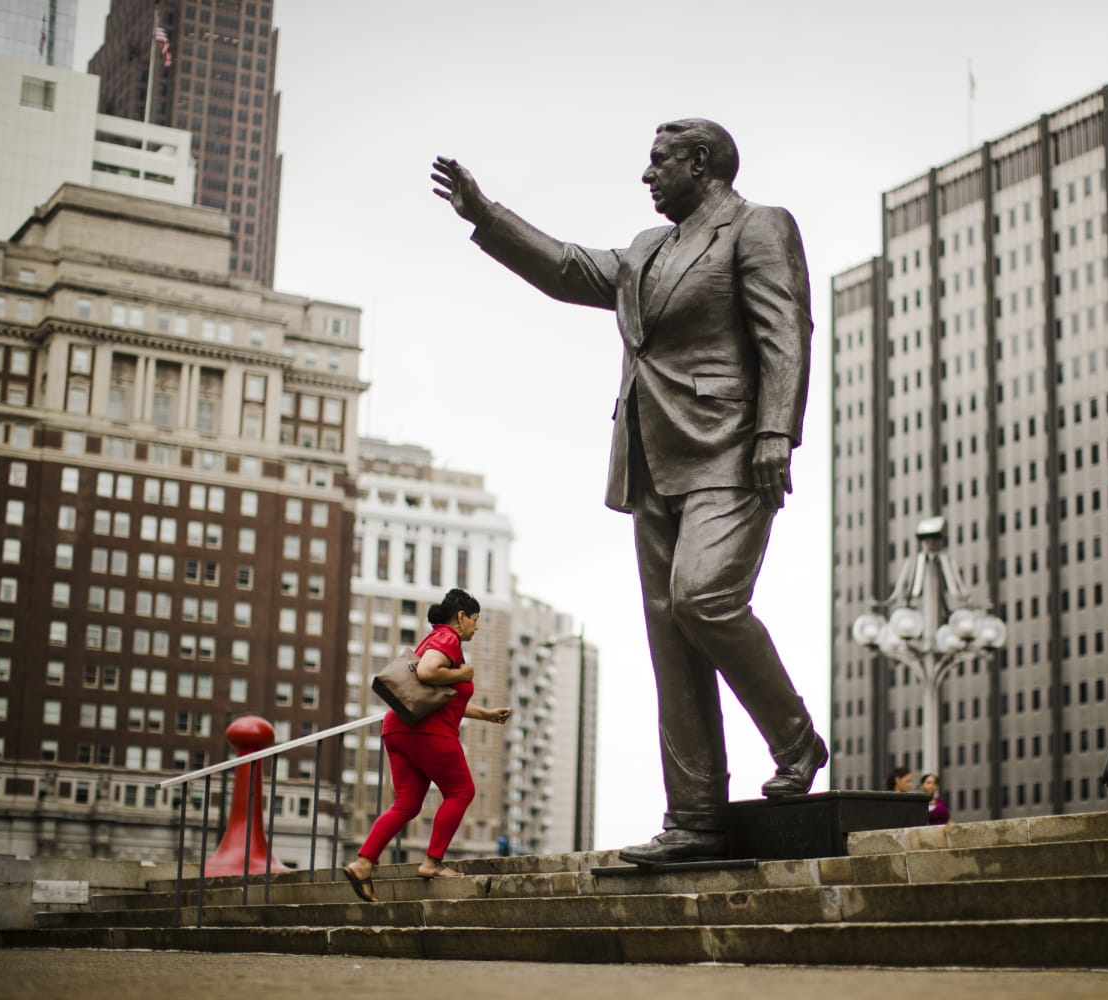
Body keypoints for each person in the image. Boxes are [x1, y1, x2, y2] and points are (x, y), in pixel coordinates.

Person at [431, 119, 826, 866]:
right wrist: (486, 214)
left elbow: (786, 333)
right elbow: (567, 269)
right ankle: (695, 818)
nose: (646, 176)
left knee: (703, 598)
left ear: (701, 163)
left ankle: (796, 738)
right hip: (650, 460)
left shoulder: (758, 226)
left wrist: (778, 431)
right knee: (671, 646)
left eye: (658, 162)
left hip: (732, 451)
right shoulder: (647, 250)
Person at [343, 589, 511, 902]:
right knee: (462, 792)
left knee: (406, 805)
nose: (477, 627)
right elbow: (427, 672)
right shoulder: (448, 639)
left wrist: (486, 714)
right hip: (428, 733)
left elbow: (440, 697)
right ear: (461, 617)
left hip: (399, 729)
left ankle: (363, 864)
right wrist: (464, 672)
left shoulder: (432, 639)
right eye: (475, 620)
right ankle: (432, 863)